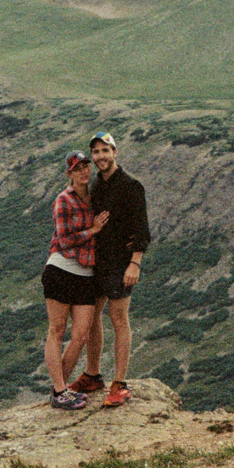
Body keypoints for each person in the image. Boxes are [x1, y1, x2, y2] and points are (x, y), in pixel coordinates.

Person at [74, 130, 150, 407]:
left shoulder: (131, 185)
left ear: (115, 152)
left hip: (121, 263)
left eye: (105, 151)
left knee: (118, 319)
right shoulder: (97, 185)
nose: (100, 157)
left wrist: (135, 263)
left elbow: (142, 229)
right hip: (97, 260)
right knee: (92, 318)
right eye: (95, 152)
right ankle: (93, 375)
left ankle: (120, 383)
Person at [42, 150, 108, 409]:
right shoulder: (63, 200)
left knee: (81, 334)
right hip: (60, 268)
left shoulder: (93, 199)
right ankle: (60, 391)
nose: (83, 171)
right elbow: (64, 238)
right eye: (77, 168)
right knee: (57, 331)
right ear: (69, 173)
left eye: (85, 166)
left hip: (85, 273)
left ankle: (61, 390)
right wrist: (92, 230)